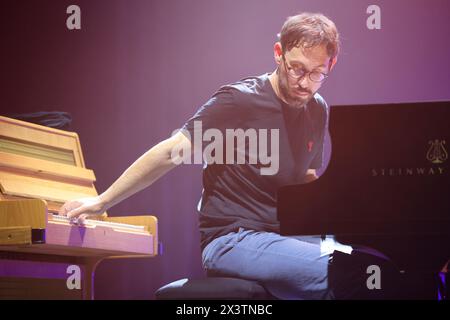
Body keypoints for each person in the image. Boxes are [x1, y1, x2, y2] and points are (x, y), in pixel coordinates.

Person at [60, 13, 403, 299]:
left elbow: (307, 186)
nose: (304, 83)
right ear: (278, 53)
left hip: (285, 238)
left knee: (383, 265)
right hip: (233, 239)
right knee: (357, 274)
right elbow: (170, 152)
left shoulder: (317, 109)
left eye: (317, 74)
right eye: (297, 68)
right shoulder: (238, 100)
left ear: (332, 64)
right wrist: (102, 200)